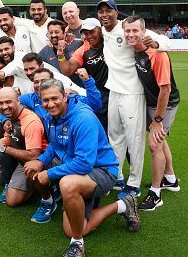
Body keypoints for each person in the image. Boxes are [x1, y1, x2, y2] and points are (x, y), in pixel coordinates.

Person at [24, 79, 140, 257]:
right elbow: (55, 146)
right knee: (71, 227)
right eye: (45, 100)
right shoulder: (50, 117)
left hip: (102, 171)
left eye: (55, 98)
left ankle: (77, 244)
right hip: (77, 170)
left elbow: (84, 163)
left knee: (67, 185)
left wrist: (50, 173)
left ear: (65, 96)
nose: (50, 104)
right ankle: (124, 205)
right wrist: (40, 161)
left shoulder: (83, 118)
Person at [97, 0, 170, 198]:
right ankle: (117, 176)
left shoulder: (127, 28)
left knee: (134, 139)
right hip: (114, 90)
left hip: (133, 92)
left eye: (108, 11)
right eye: (101, 11)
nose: (104, 15)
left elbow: (165, 41)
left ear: (116, 12)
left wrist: (156, 42)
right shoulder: (102, 29)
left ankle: (134, 183)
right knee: (115, 137)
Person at [124, 16, 181, 211]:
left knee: (154, 145)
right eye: (128, 31)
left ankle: (155, 194)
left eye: (135, 31)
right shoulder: (134, 49)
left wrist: (157, 120)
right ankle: (171, 180)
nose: (131, 34)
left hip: (165, 103)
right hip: (149, 102)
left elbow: (165, 90)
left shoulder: (157, 53)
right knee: (161, 140)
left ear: (144, 32)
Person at [0, 88, 47, 212]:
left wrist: (3, 148)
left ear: (18, 100)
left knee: (28, 165)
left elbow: (34, 155)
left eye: (8, 102)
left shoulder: (30, 122)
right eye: (0, 103)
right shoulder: (10, 117)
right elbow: (9, 138)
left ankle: (47, 197)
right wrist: (1, 142)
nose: (4, 106)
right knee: (11, 201)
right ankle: (34, 186)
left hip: (40, 161)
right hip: (23, 161)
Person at [58, 18, 109, 130]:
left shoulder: (110, 40)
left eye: (92, 32)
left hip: (119, 90)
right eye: (86, 33)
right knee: (103, 129)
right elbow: (68, 70)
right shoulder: (84, 49)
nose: (89, 36)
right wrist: (60, 54)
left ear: (100, 30)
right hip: (100, 94)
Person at [39, 20, 83, 86]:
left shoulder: (78, 44)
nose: (53, 35)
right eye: (51, 32)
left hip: (81, 88)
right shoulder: (44, 52)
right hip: (60, 90)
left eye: (57, 32)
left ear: (64, 33)